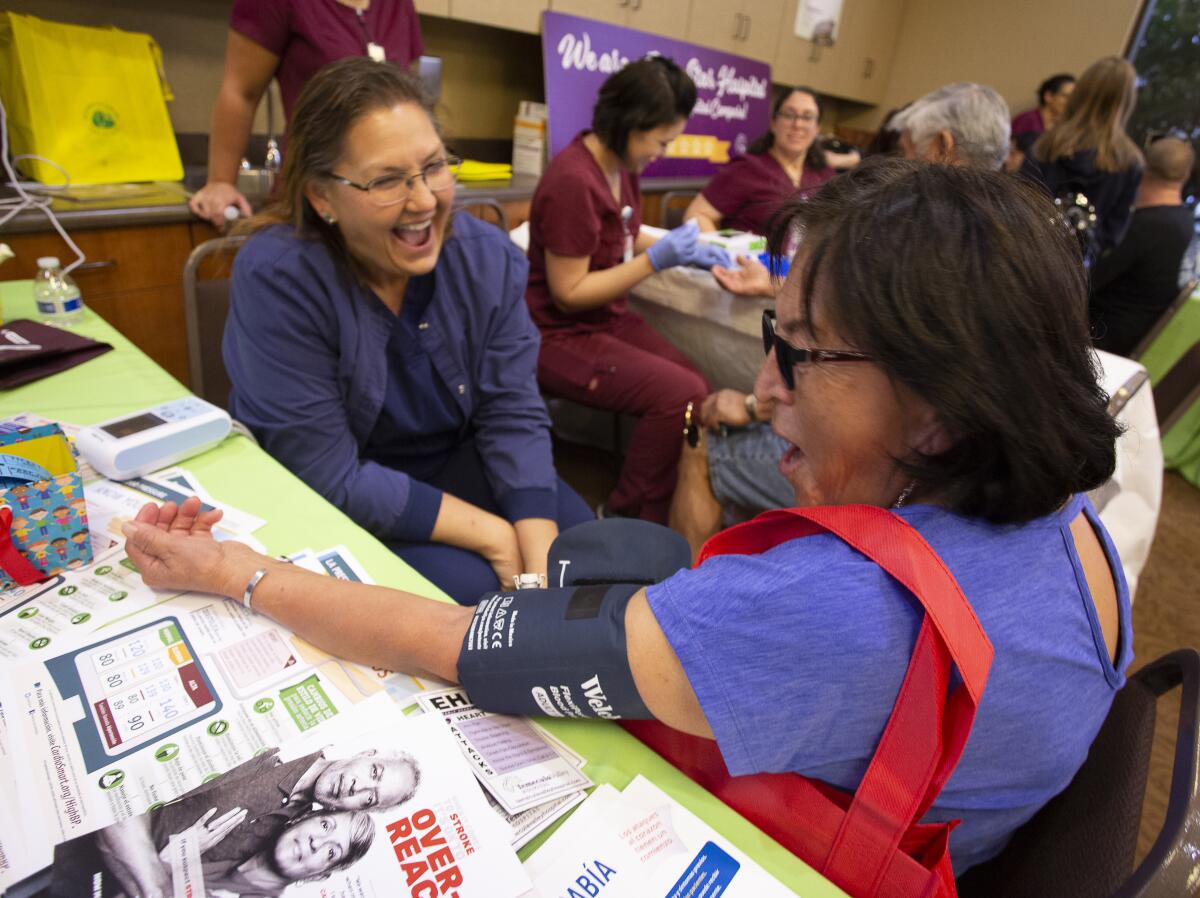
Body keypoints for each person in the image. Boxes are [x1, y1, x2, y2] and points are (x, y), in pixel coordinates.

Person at [124, 158, 1129, 875]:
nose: (766, 389)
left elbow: (457, 641)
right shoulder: (1085, 530)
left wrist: (231, 573)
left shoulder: (826, 608)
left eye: (804, 353)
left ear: (947, 407)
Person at [223, 58, 592, 602]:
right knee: (474, 598)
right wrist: (491, 534)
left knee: (582, 560)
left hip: (458, 461)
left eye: (434, 168)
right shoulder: (281, 277)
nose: (423, 201)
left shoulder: (483, 257)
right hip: (345, 486)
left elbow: (511, 409)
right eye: (387, 180)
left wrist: (537, 554)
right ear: (322, 196)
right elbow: (325, 472)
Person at [525, 56, 729, 523]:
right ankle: (621, 517)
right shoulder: (574, 181)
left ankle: (652, 507)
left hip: (605, 320)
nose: (662, 151)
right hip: (557, 334)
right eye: (661, 140)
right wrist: (655, 261)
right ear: (630, 125)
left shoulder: (620, 164)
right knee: (677, 395)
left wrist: (690, 248)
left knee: (695, 385)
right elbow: (569, 292)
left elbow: (623, 231)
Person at [709, 81, 1012, 302]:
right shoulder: (1012, 235)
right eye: (789, 115)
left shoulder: (934, 233)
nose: (904, 167)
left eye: (907, 153)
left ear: (941, 147)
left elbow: (864, 301)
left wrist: (777, 284)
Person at [189, 0, 425, 229]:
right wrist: (220, 182)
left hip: (387, 202)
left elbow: (411, 98)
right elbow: (241, 92)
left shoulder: (399, 4)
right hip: (311, 200)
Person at [71, 745, 405, 897]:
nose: (357, 787)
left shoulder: (286, 832)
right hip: (77, 847)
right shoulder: (277, 750)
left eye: (370, 798)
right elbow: (120, 802)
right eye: (373, 773)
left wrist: (174, 861)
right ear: (366, 754)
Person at [1023, 56, 1144, 262]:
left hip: (1027, 256)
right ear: (1126, 102)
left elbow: (1019, 202)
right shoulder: (1129, 163)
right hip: (1071, 271)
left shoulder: (1045, 145)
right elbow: (1112, 235)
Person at [1090, 136, 1197, 355]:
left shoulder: (1143, 227)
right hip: (1136, 343)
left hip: (1096, 339)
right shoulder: (1185, 224)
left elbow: (1087, 282)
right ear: (1185, 175)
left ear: (1145, 167)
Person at [684, 87, 837, 235]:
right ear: (773, 122)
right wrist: (727, 256)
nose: (797, 124)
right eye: (789, 115)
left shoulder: (825, 176)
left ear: (817, 128)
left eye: (807, 117)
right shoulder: (746, 169)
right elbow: (696, 215)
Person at [1011, 73, 1076, 143]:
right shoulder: (1025, 121)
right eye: (1066, 96)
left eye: (1074, 97)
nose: (1071, 102)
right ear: (1048, 96)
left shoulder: (1070, 124)